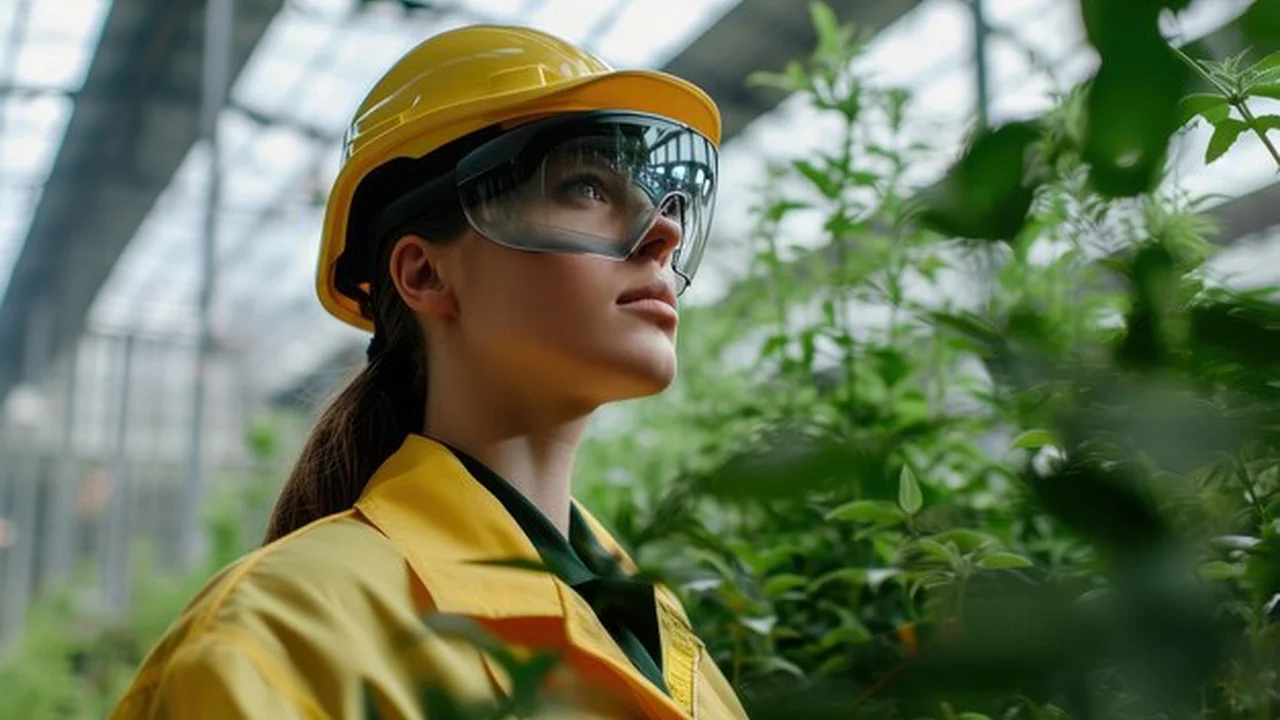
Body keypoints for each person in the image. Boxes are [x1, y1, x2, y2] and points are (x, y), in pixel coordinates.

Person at [108, 23, 748, 720]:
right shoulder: (279, 638)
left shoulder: (664, 635)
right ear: (424, 273)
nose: (665, 232)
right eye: (586, 187)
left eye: (663, 199)